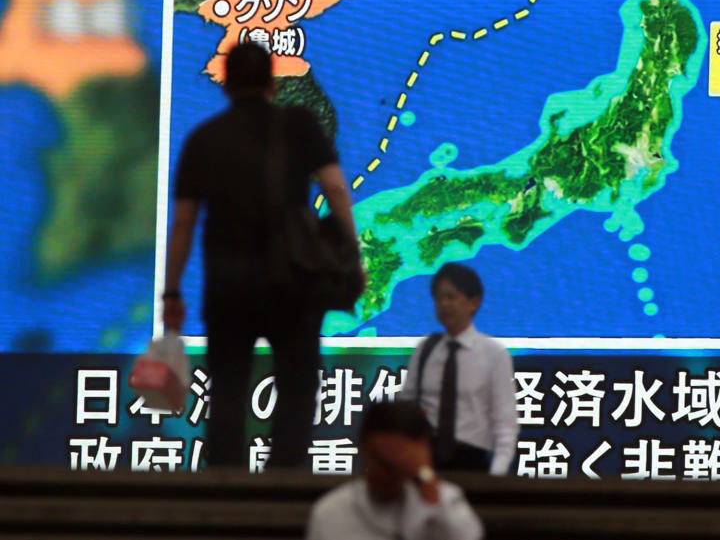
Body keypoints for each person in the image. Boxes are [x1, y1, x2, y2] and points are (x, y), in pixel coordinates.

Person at [161, 42, 359, 469]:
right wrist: (349, 253)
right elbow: (337, 190)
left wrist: (172, 291)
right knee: (296, 390)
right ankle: (284, 489)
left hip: (228, 287)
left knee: (228, 391)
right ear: (272, 80)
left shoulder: (204, 140)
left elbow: (183, 224)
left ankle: (228, 499)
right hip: (292, 283)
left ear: (227, 83)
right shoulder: (299, 127)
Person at [400, 263, 519, 475]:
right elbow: (406, 406)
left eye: (451, 297)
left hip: (471, 461)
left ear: (474, 302)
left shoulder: (494, 353)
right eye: (439, 298)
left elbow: (505, 423)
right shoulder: (426, 349)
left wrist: (496, 476)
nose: (444, 304)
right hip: (425, 461)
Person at [305, 400, 483, 540]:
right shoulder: (330, 512)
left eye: (397, 461)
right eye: (380, 459)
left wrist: (426, 480)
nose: (386, 472)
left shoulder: (445, 500)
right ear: (363, 448)